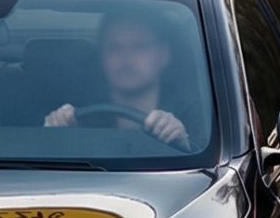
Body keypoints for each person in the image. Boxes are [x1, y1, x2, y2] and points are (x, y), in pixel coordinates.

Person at [44, 10, 194, 147]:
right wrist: (53, 135)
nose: (126, 57)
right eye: (114, 47)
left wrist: (182, 144)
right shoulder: (78, 119)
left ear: (164, 54)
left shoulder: (200, 119)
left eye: (139, 46)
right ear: (101, 57)